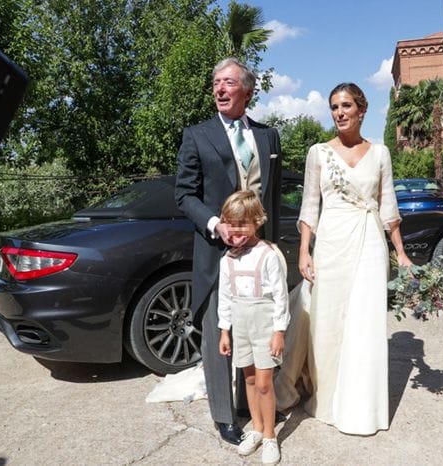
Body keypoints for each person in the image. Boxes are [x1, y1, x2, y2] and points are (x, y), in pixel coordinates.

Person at [293, 82, 413, 435]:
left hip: (370, 244)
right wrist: (304, 250)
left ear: (362, 110)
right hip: (330, 243)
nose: (339, 112)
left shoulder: (380, 153)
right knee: (327, 324)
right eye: (334, 107)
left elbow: (389, 206)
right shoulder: (318, 152)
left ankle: (362, 408)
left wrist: (401, 253)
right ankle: (327, 400)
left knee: (365, 322)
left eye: (346, 105)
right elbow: (310, 205)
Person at [175, 57, 282, 446]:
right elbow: (183, 194)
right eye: (216, 82)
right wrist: (214, 225)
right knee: (218, 334)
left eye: (228, 83)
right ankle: (225, 415)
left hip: (259, 252)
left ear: (247, 91)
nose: (219, 89)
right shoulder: (197, 135)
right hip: (216, 251)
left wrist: (273, 244)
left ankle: (253, 405)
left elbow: (271, 194)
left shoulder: (268, 136)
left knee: (256, 329)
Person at [217, 190, 289, 465]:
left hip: (264, 324)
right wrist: (225, 330)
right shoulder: (227, 259)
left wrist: (279, 331)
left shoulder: (268, 255)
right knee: (247, 379)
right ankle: (256, 428)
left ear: (257, 221)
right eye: (231, 224)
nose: (236, 231)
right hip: (241, 324)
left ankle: (270, 436)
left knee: (263, 382)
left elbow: (281, 297)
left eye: (242, 224)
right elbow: (225, 296)